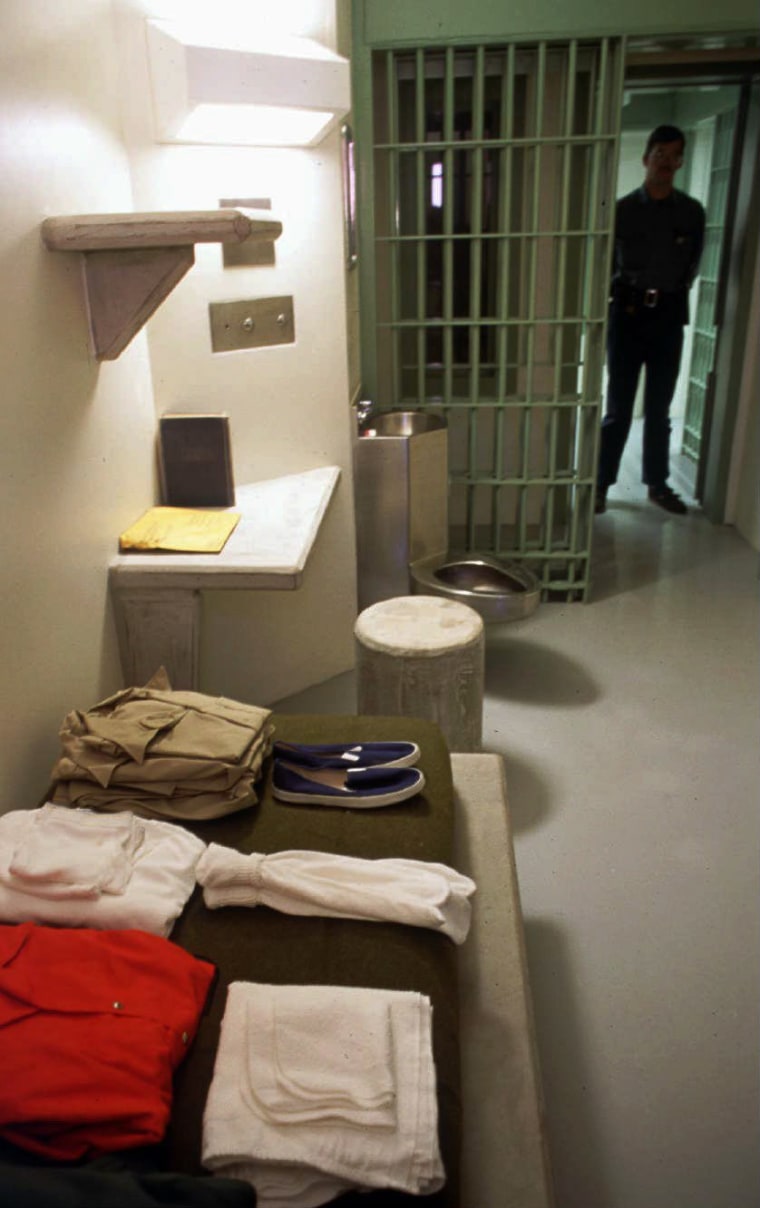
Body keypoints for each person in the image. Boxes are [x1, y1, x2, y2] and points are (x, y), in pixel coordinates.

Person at [595, 124, 705, 515]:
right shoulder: (623, 211)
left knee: (659, 408)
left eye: (674, 155)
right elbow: (606, 264)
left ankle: (657, 484)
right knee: (618, 408)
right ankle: (601, 485)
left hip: (668, 319)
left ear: (680, 161)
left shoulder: (691, 213)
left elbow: (693, 265)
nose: (665, 162)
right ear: (646, 158)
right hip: (627, 315)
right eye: (659, 154)